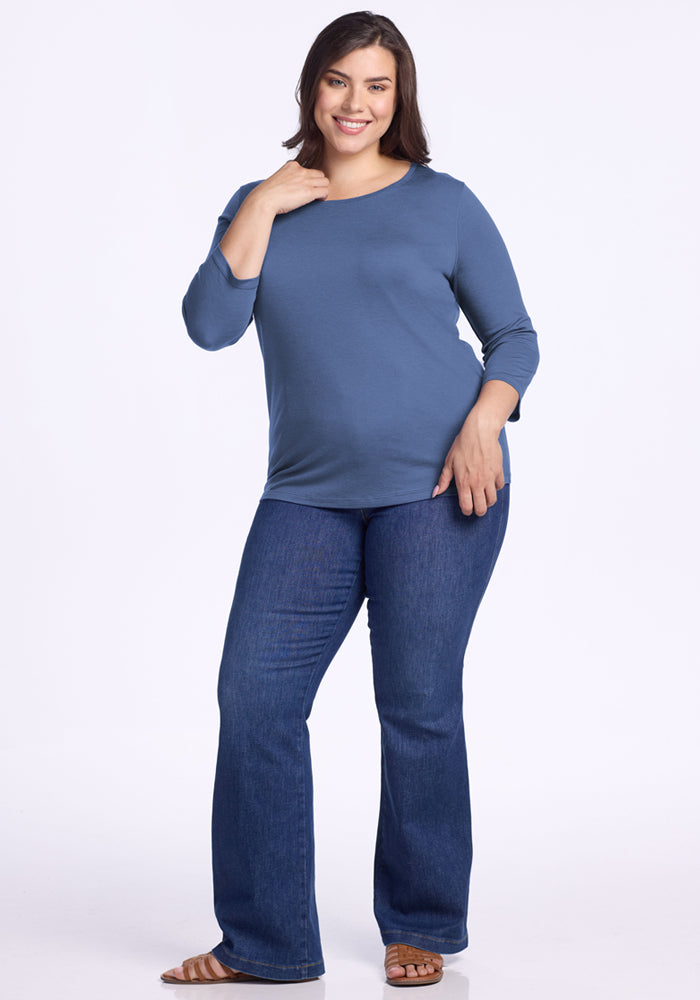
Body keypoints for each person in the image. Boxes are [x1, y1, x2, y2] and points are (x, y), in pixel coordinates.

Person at [161, 9, 539, 989]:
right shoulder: (265, 200)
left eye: (376, 85)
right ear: (310, 90)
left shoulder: (443, 202)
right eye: (338, 82)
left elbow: (514, 338)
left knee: (414, 704)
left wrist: (481, 422)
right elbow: (209, 325)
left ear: (398, 96)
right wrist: (261, 207)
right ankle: (268, 939)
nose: (356, 103)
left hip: (439, 486)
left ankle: (420, 921)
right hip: (307, 497)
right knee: (253, 699)